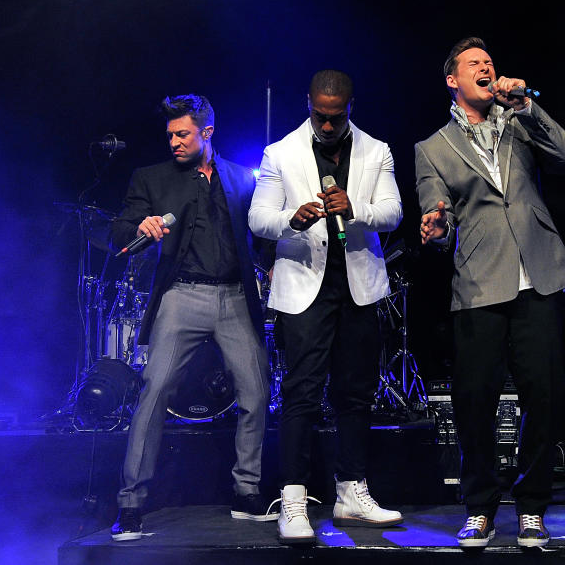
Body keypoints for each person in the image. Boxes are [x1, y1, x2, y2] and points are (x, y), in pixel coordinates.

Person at [415, 37, 565, 548]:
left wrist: (528, 106)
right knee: (475, 402)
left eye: (490, 62)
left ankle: (532, 507)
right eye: (474, 64)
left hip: (537, 275)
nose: (486, 68)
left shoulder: (519, 123)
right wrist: (437, 227)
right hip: (480, 283)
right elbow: (434, 208)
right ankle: (480, 507)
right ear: (453, 80)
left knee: (545, 396)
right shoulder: (433, 147)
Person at [248, 69, 404, 545]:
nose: (329, 126)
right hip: (303, 288)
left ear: (350, 108)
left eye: (337, 117)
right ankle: (293, 499)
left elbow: (394, 212)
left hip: (357, 285)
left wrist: (353, 208)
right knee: (302, 394)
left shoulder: (377, 151)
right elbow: (258, 219)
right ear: (309, 105)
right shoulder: (280, 153)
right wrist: (291, 220)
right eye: (321, 116)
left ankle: (351, 492)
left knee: (354, 395)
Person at [110, 94, 270, 541]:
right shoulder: (152, 178)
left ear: (208, 132)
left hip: (236, 297)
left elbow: (262, 239)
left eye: (183, 133)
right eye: (170, 135)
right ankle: (131, 504)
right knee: (155, 388)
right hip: (182, 296)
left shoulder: (241, 179)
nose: (174, 142)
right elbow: (119, 230)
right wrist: (139, 228)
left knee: (257, 392)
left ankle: (247, 491)